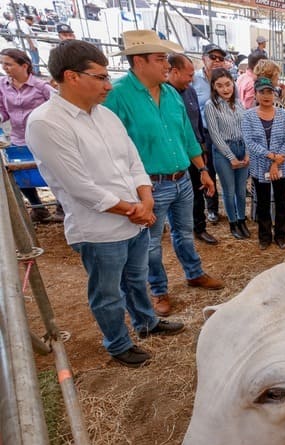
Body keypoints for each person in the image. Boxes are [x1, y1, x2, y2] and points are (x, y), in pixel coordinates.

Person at [27, 39, 185, 367]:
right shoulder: (46, 122)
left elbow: (133, 161)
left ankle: (146, 322)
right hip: (98, 228)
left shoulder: (105, 115)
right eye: (99, 77)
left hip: (135, 218)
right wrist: (136, 209)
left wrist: (145, 199)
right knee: (108, 292)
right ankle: (117, 342)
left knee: (136, 277)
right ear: (71, 77)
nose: (107, 85)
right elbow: (79, 187)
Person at [104, 30, 224, 318]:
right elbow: (109, 146)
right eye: (160, 59)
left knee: (184, 232)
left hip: (181, 178)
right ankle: (159, 290)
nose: (166, 65)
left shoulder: (171, 93)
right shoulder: (118, 96)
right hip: (149, 185)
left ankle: (194, 273)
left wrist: (202, 169)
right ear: (139, 62)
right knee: (151, 244)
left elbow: (187, 135)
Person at [167, 53, 218, 246]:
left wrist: (202, 147)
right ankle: (180, 230)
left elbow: (195, 123)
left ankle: (199, 227)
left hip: (194, 151)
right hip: (173, 156)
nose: (192, 80)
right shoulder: (162, 93)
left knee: (198, 191)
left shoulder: (189, 91)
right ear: (174, 71)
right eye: (189, 75)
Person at [0, 48, 54, 222]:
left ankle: (61, 206)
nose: (5, 68)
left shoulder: (41, 87)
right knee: (21, 175)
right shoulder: (3, 86)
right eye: (3, 64)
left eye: (9, 64)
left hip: (43, 139)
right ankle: (38, 208)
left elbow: (58, 106)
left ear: (25, 65)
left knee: (53, 172)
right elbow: (3, 111)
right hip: (18, 139)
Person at [242, 77, 285, 250]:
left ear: (275, 94)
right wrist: (271, 156)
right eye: (262, 92)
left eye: (269, 92)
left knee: (281, 202)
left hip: (282, 166)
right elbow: (249, 142)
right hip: (259, 167)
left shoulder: (284, 114)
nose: (266, 96)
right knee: (262, 203)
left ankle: (281, 236)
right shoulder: (248, 116)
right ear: (255, 94)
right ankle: (264, 237)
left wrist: (277, 161)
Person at [204, 67, 249, 240]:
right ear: (214, 87)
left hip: (242, 147)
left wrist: (247, 153)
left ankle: (242, 219)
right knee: (229, 190)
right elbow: (215, 135)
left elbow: (245, 127)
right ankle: (233, 223)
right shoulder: (210, 106)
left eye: (228, 84)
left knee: (241, 190)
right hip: (224, 151)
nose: (225, 89)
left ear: (233, 83)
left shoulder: (238, 102)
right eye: (220, 85)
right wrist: (231, 157)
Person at [192, 43, 229, 223]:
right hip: (205, 134)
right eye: (212, 57)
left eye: (220, 58)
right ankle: (212, 209)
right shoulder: (194, 80)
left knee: (227, 169)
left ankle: (232, 209)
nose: (216, 61)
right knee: (208, 170)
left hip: (225, 133)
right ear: (203, 58)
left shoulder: (228, 78)